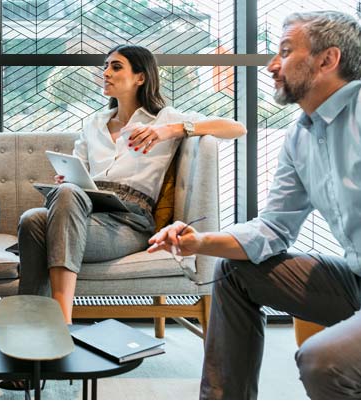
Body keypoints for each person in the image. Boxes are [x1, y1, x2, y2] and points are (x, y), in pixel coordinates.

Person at [147, 11, 361, 399]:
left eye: (286, 52)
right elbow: (273, 228)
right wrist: (198, 241)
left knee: (322, 360)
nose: (272, 65)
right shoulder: (302, 136)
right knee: (235, 273)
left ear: (328, 60)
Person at [17, 45, 246, 324]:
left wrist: (171, 130)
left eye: (116, 67)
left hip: (130, 221)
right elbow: (79, 172)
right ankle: (31, 324)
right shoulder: (94, 124)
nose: (106, 73)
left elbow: (236, 128)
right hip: (87, 211)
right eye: (105, 67)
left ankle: (60, 322)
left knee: (47, 215)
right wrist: (69, 180)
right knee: (33, 218)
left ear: (140, 77)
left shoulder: (165, 119)